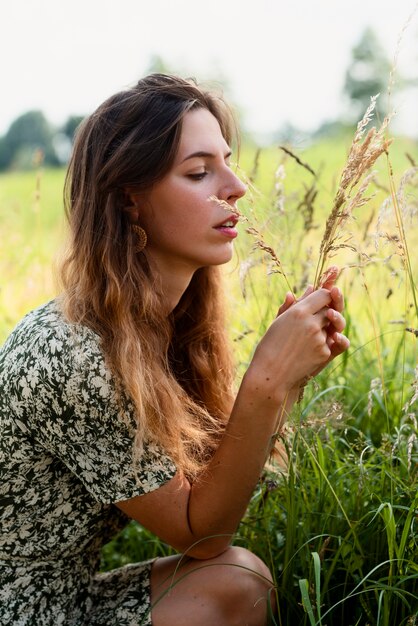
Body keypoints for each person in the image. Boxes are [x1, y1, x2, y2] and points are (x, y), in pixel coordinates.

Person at [0, 73, 349, 626]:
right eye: (199, 171)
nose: (235, 186)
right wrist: (265, 381)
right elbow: (201, 534)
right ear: (129, 200)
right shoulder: (68, 353)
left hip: (69, 593)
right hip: (19, 610)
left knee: (239, 583)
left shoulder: (159, 327)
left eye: (228, 163)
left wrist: (286, 377)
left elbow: (216, 485)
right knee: (235, 581)